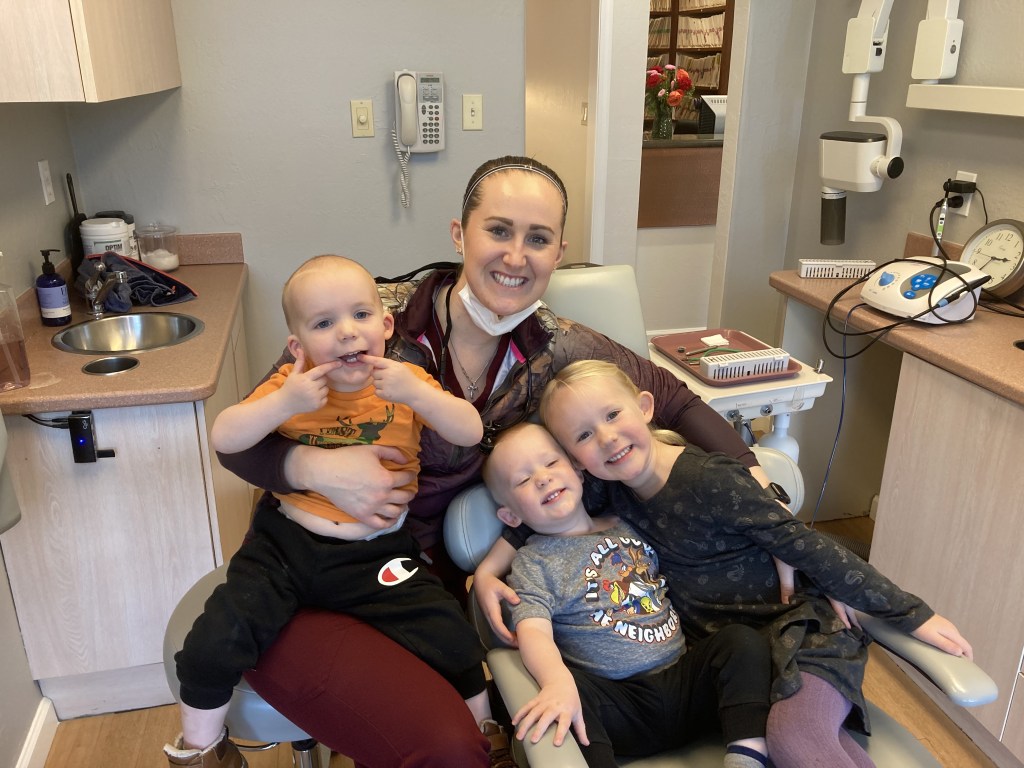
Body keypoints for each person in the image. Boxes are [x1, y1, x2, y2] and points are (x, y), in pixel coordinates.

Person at [216, 155, 769, 768]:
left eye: (538, 239)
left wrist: (753, 477)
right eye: (498, 231)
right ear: (459, 234)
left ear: (559, 253)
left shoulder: (558, 345)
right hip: (312, 571)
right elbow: (240, 438)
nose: (515, 256)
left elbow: (670, 397)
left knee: (476, 742)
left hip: (434, 595)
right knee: (445, 749)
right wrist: (313, 470)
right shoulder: (369, 322)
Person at [518, 359, 973, 768]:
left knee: (795, 739)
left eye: (613, 415)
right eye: (582, 436)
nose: (607, 438)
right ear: (573, 460)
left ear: (645, 406)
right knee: (806, 746)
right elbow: (541, 509)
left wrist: (912, 614)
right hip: (733, 660)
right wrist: (487, 572)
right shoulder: (610, 488)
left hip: (800, 634)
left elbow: (803, 543)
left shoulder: (709, 478)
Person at [165, 255, 500, 768]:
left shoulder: (407, 381)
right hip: (286, 549)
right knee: (216, 639)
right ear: (299, 346)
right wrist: (283, 404)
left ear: (385, 326)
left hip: (377, 554)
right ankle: (199, 751)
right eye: (324, 323)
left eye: (361, 316)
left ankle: (490, 738)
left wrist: (420, 395)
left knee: (450, 632)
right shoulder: (291, 384)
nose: (346, 333)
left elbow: (470, 432)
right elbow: (225, 436)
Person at [482, 422, 772, 768]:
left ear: (577, 470)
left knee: (740, 642)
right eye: (524, 480)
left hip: (685, 683)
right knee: (568, 696)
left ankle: (747, 757)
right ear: (510, 515)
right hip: (619, 703)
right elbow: (533, 631)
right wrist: (556, 681)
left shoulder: (625, 522)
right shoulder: (533, 561)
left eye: (551, 463)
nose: (543, 478)